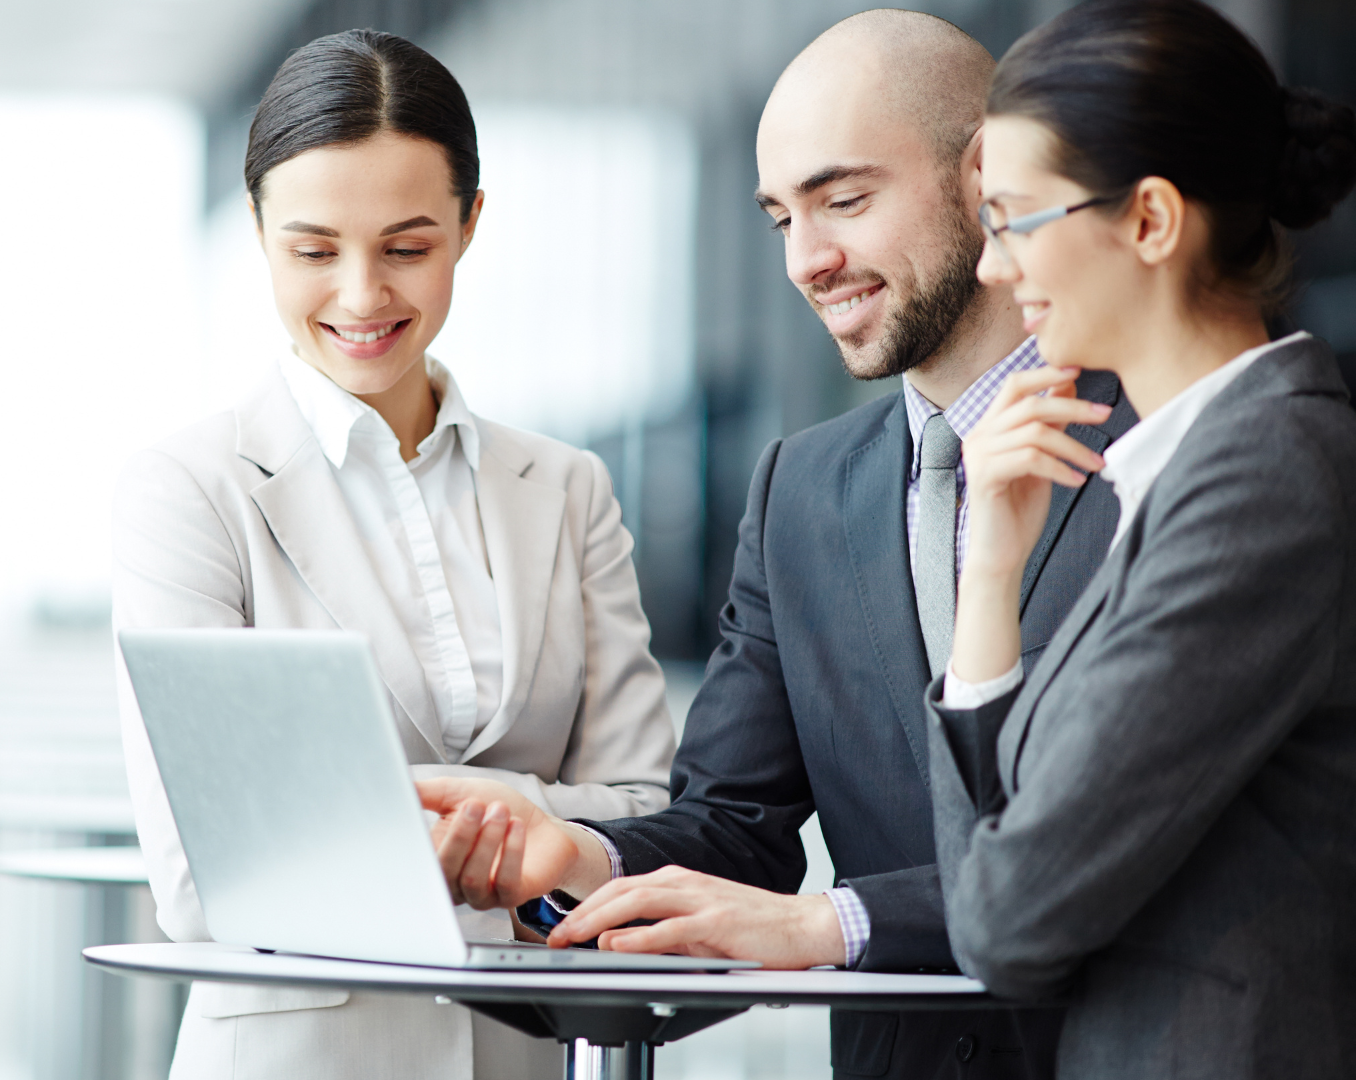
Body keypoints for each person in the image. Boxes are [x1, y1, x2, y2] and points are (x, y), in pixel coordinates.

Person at [420, 11, 1137, 1078]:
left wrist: (831, 924)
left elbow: (1144, 840)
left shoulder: (1167, 444)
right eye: (779, 219)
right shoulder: (800, 492)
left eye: (845, 199)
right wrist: (577, 854)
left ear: (986, 174)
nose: (809, 260)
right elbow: (732, 825)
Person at [112, 29, 678, 1080]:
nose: (364, 295)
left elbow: (650, 814)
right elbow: (202, 873)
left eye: (408, 246)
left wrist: (356, 811)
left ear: (469, 222)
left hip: (521, 1055)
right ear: (258, 230)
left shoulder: (567, 490)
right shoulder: (190, 490)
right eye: (314, 250)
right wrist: (528, 820)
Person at [922, 1, 1356, 1075]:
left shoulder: (1267, 481)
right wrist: (990, 572)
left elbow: (1005, 919)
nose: (992, 266)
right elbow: (996, 882)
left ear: (1152, 221)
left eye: (1016, 219)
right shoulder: (1190, 472)